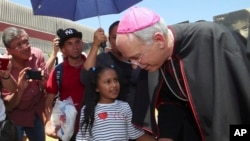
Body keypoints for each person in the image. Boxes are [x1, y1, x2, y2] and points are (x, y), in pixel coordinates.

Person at [115, 7, 250, 141]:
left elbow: (239, 102)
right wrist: (166, 136)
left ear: (159, 40)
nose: (135, 65)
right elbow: (171, 100)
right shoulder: (158, 60)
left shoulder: (214, 39)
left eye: (137, 57)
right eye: (130, 60)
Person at [81, 21, 152, 137]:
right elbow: (86, 78)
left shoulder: (142, 59)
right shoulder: (103, 59)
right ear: (109, 39)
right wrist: (95, 45)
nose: (119, 41)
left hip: (142, 124)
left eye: (124, 37)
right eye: (115, 37)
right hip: (115, 127)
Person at [76, 65, 155, 141]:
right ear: (97, 88)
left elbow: (136, 134)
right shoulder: (88, 109)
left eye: (115, 80)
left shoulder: (124, 107)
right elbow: (82, 138)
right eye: (108, 82)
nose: (114, 85)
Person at [1, 27, 48, 141]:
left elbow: (45, 85)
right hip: (16, 117)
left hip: (36, 113)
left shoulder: (37, 54)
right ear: (9, 50)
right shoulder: (4, 66)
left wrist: (43, 81)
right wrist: (20, 89)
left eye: (26, 42)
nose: (26, 47)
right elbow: (9, 105)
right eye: (19, 45)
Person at [45, 28, 87, 141]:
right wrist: (49, 123)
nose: (75, 47)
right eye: (69, 43)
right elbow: (48, 102)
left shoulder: (92, 67)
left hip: (92, 127)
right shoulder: (58, 71)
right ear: (63, 50)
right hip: (66, 130)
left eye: (77, 42)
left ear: (82, 44)